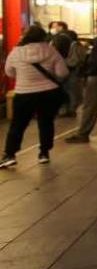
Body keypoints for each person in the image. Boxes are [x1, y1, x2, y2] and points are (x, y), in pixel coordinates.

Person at [0, 25, 69, 168]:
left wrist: (24, 76)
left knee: (18, 125)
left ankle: (10, 155)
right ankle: (44, 153)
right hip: (49, 93)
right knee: (46, 123)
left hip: (24, 93)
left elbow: (9, 73)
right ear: (43, 36)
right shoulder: (50, 50)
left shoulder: (16, 52)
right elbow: (63, 73)